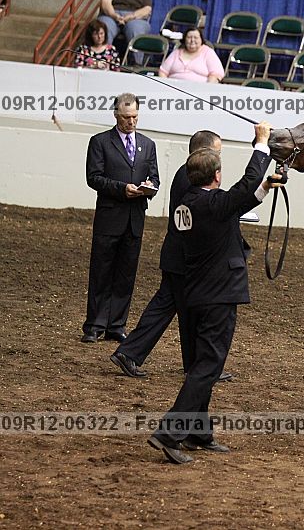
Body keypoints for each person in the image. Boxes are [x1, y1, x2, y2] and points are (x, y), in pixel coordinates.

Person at [147, 122, 284, 464]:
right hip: (218, 296)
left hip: (194, 294)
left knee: (199, 365)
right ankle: (170, 432)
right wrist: (262, 144)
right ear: (217, 176)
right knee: (208, 367)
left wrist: (264, 187)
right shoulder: (214, 205)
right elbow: (243, 187)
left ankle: (198, 431)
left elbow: (239, 200)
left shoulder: (189, 203)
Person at [110, 131, 235, 383]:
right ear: (204, 152)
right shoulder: (192, 178)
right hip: (186, 257)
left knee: (170, 307)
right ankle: (190, 364)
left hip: (177, 255)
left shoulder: (184, 174)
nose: (219, 158)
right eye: (217, 152)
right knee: (185, 310)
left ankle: (134, 353)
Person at [81, 92, 159, 343]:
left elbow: (155, 178)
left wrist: (149, 187)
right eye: (126, 117)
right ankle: (95, 324)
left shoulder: (148, 145)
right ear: (116, 115)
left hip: (135, 218)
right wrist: (121, 189)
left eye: (134, 117)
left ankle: (116, 324)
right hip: (110, 217)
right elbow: (93, 177)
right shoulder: (100, 142)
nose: (131, 122)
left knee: (126, 274)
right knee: (101, 271)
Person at [97, 0, 152, 65]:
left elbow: (147, 9)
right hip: (111, 13)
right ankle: (102, 60)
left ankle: (136, 64)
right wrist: (114, 15)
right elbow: (105, 1)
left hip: (136, 16)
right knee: (105, 27)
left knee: (135, 29)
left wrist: (132, 16)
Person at [158, 28, 224, 83]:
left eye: (196, 37)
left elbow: (216, 74)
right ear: (184, 39)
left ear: (201, 39)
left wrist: (207, 89)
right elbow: (163, 72)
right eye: (189, 37)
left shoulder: (208, 52)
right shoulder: (176, 52)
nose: (192, 40)